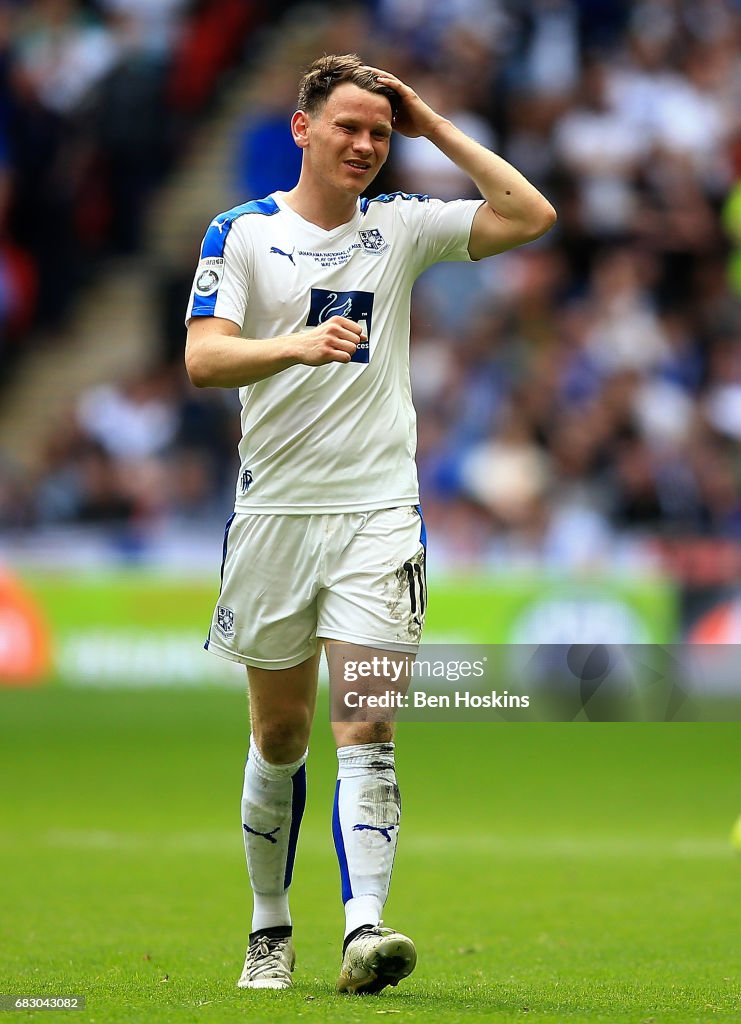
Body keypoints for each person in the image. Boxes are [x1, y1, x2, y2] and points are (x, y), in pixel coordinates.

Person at [184, 53, 556, 995]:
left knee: (369, 722)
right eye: (349, 127)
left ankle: (366, 928)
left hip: (379, 515)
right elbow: (203, 360)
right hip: (273, 513)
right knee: (280, 736)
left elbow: (528, 214)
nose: (364, 146)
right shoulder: (241, 232)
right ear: (303, 128)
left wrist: (433, 128)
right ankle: (270, 929)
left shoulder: (400, 227)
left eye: (380, 135)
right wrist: (295, 346)